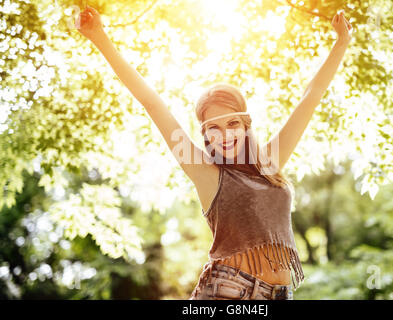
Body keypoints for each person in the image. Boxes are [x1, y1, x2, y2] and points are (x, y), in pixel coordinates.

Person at [76, 6, 352, 300]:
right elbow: (152, 103)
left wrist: (341, 42)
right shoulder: (206, 173)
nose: (225, 134)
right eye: (213, 128)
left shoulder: (270, 163)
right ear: (204, 135)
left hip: (280, 295)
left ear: (246, 125)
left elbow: (312, 95)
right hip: (228, 291)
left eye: (232, 122)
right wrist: (99, 36)